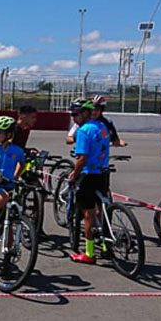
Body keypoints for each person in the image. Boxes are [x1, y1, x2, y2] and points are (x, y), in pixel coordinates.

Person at [66, 98, 110, 264]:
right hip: (103, 173)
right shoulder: (102, 126)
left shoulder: (84, 131)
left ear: (85, 113)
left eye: (75, 114)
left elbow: (82, 158)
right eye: (71, 114)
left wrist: (74, 174)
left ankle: (89, 253)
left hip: (88, 174)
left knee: (88, 214)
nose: (73, 117)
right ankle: (106, 246)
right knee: (102, 209)